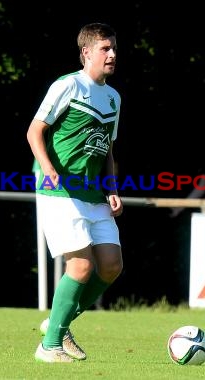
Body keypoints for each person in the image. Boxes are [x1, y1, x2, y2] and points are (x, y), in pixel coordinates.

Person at [26, 22, 123, 363]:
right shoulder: (68, 85)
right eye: (104, 49)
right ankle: (49, 346)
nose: (112, 54)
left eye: (113, 48)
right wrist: (48, 169)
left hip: (92, 193)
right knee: (81, 267)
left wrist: (111, 188)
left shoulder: (113, 97)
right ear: (86, 53)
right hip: (59, 190)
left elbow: (107, 149)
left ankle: (57, 321)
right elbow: (34, 131)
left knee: (110, 265)